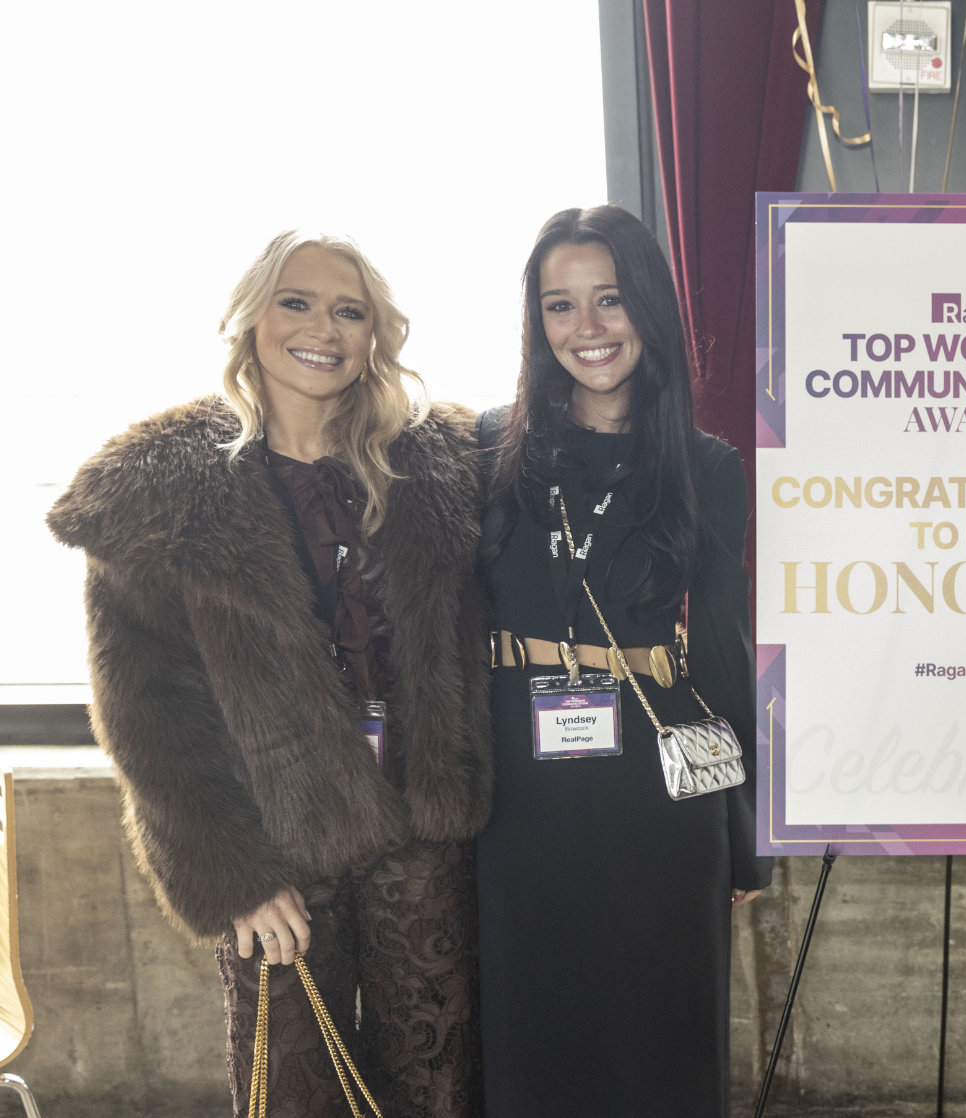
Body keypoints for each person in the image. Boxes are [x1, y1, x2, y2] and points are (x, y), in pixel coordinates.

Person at [46, 232, 492, 1116]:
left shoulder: (442, 465)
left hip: (422, 835)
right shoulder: (160, 489)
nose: (322, 328)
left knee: (440, 1084)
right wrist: (234, 875)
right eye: (297, 302)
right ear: (253, 318)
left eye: (349, 311)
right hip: (275, 850)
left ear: (374, 335)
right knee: (291, 1089)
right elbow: (147, 714)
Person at [475, 204, 772, 1115]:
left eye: (609, 298)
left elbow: (721, 651)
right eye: (559, 305)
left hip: (658, 796)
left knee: (660, 1047)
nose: (588, 327)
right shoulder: (486, 449)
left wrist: (742, 837)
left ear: (647, 304)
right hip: (519, 795)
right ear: (537, 323)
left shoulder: (705, 466)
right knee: (533, 1046)